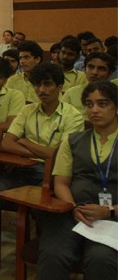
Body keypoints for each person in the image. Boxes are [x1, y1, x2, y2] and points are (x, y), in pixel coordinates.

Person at [0, 63, 84, 243]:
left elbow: (59, 155)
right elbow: (6, 143)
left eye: (47, 84)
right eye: (37, 85)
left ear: (60, 87)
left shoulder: (73, 116)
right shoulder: (27, 110)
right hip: (23, 170)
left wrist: (24, 141)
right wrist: (39, 152)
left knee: (41, 203)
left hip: (53, 175)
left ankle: (46, 248)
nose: (41, 90)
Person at [37, 80, 118, 279]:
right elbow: (61, 183)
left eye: (102, 103)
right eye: (89, 104)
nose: (94, 110)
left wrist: (109, 211)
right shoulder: (73, 140)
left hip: (114, 217)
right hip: (74, 212)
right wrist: (73, 207)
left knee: (101, 258)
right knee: (53, 254)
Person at [62, 52, 116, 119]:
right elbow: (61, 119)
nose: (94, 72)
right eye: (91, 67)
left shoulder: (115, 94)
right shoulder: (71, 93)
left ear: (109, 73)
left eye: (101, 69)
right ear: (84, 69)